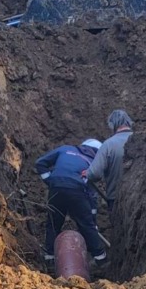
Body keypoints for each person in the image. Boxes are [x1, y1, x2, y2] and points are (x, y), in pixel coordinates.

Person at [35, 138, 107, 266]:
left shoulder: (65, 149)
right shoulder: (93, 163)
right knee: (86, 225)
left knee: (53, 223)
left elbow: (40, 163)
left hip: (56, 189)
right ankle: (100, 259)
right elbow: (91, 195)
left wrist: (51, 181)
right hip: (77, 190)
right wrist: (93, 221)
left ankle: (50, 257)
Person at [86, 110, 133, 209]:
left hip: (117, 200)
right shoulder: (144, 141)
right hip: (141, 198)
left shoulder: (109, 144)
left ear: (112, 125)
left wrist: (87, 173)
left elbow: (94, 174)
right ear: (129, 122)